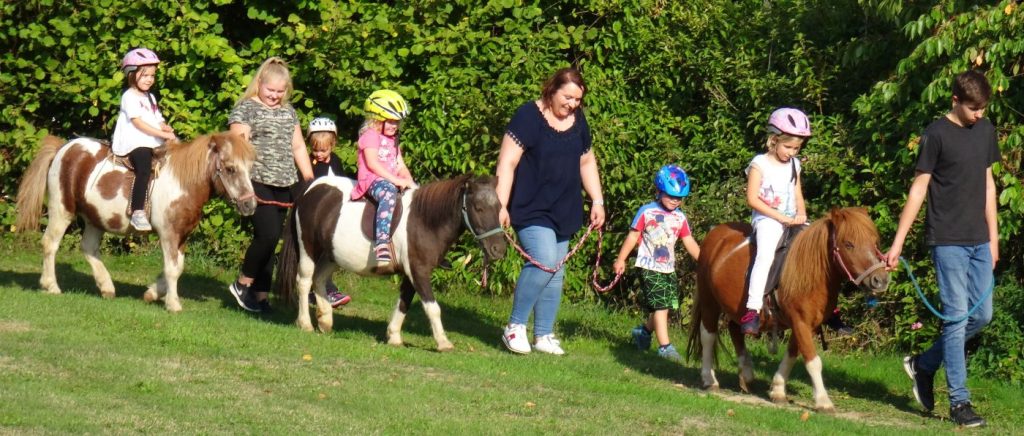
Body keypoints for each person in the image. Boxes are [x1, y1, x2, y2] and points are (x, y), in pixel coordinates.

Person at [886, 70, 998, 428]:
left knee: (982, 316)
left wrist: (994, 239)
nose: (978, 114)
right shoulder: (935, 135)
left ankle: (923, 364)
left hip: (980, 240)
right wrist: (898, 242)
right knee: (956, 318)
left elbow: (988, 185)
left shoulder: (985, 130)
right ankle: (960, 403)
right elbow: (918, 189)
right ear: (955, 101)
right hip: (947, 239)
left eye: (982, 108)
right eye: (972, 108)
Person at [495, 67, 606, 356]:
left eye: (577, 100)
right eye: (567, 97)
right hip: (531, 206)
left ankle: (543, 334)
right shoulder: (527, 117)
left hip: (565, 207)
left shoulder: (578, 121)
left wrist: (597, 201)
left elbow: (587, 162)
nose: (571, 104)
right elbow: (507, 163)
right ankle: (515, 327)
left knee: (555, 271)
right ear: (551, 90)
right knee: (544, 261)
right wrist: (501, 205)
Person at [227, 57, 314, 312]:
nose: (275, 96)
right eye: (270, 90)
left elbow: (297, 146)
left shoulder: (289, 112)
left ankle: (261, 296)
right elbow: (237, 146)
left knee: (272, 238)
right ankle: (243, 283)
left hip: (286, 181)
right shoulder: (245, 109)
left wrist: (309, 180)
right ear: (260, 84)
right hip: (256, 180)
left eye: (280, 91)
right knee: (268, 234)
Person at [614, 164, 700, 362]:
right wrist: (621, 259)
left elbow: (689, 242)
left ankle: (643, 332)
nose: (674, 201)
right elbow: (633, 236)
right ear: (659, 191)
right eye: (670, 196)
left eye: (679, 198)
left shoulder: (681, 217)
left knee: (665, 306)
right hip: (648, 267)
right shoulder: (647, 212)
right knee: (661, 306)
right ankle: (665, 347)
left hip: (668, 268)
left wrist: (705, 261)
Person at [740, 107, 811, 336]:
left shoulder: (795, 165)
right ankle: (752, 309)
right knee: (766, 254)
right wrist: (779, 216)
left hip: (791, 219)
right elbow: (752, 198)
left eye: (796, 148)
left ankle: (829, 308)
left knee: (816, 247)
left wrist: (801, 212)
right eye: (788, 146)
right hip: (767, 219)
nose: (792, 152)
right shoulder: (759, 163)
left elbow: (797, 191)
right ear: (774, 140)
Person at [111, 47, 176, 232]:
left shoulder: (150, 97)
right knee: (144, 168)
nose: (149, 79)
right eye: (145, 75)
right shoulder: (129, 96)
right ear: (131, 75)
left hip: (152, 138)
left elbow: (157, 118)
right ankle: (138, 210)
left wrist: (164, 126)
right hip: (136, 141)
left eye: (152, 75)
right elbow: (138, 123)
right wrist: (163, 135)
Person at [351, 89, 416, 265]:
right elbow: (372, 164)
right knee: (388, 193)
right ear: (376, 119)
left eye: (397, 122)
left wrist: (409, 181)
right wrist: (395, 181)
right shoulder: (370, 136)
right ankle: (381, 242)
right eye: (390, 121)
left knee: (416, 195)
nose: (394, 125)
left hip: (390, 179)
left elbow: (399, 164)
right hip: (373, 180)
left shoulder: (393, 139)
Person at [305, 116, 352, 308]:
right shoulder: (309, 164)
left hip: (333, 217)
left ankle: (321, 288)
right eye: (315, 149)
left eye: (324, 149)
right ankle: (325, 289)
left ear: (333, 144)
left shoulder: (337, 162)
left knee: (329, 253)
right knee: (315, 254)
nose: (319, 154)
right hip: (314, 217)